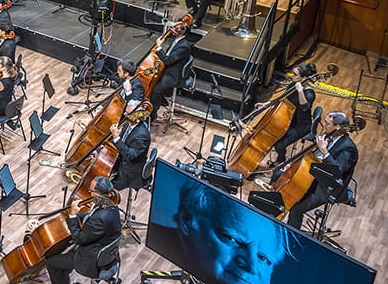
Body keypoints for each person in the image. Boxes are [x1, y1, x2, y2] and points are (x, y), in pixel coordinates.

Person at [152, 176, 290, 284]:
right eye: (231, 238)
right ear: (186, 220)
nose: (252, 266)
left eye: (263, 258)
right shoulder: (159, 237)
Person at [285, 111, 359, 230]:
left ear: (338, 127)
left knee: (295, 209)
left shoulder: (348, 149)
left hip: (327, 187)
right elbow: (311, 157)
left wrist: (325, 151)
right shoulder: (329, 135)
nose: (324, 126)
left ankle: (291, 238)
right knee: (279, 175)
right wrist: (293, 165)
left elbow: (337, 172)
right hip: (314, 176)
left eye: (327, 124)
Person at [44, 176, 121, 284]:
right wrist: (75, 216)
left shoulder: (100, 219)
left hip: (91, 259)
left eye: (91, 191)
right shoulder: (112, 207)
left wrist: (73, 216)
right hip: (105, 251)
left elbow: (79, 239)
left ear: (98, 194)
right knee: (65, 255)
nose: (89, 193)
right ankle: (66, 268)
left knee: (52, 264)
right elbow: (91, 217)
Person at [265, 63, 317, 167]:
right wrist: (266, 104)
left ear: (304, 78)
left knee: (279, 145)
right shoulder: (292, 85)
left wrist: (300, 91)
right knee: (272, 139)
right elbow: (282, 100)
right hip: (288, 120)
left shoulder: (310, 94)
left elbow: (304, 107)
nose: (291, 76)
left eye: (295, 74)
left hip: (300, 126)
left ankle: (280, 162)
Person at [149, 20, 193, 123]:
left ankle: (152, 114)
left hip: (174, 75)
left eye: (176, 28)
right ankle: (159, 101)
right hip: (169, 68)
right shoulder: (177, 40)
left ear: (182, 31)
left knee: (156, 89)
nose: (173, 29)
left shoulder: (184, 46)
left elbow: (168, 60)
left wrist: (159, 47)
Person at [109, 105, 151, 191]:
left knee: (106, 187)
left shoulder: (142, 136)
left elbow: (131, 155)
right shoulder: (128, 124)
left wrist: (116, 138)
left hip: (130, 171)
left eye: (127, 113)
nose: (124, 114)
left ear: (135, 117)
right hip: (121, 158)